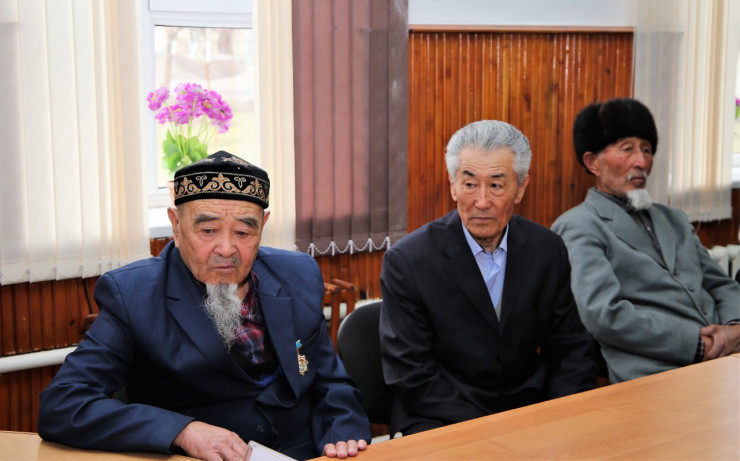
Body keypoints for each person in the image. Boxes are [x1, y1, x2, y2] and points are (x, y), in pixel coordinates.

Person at [38, 151, 370, 461]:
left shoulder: (298, 273)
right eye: (208, 230)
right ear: (176, 225)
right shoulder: (132, 295)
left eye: (243, 232)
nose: (226, 249)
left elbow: (330, 382)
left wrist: (342, 435)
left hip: (308, 452)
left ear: (263, 226)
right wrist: (183, 431)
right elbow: (64, 404)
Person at [379, 120, 598, 436]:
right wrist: (492, 431)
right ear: (453, 185)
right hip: (440, 415)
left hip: (527, 407)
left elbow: (571, 348)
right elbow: (410, 374)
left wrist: (559, 413)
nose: (481, 202)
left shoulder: (547, 249)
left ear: (520, 188)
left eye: (496, 185)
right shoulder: (409, 261)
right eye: (470, 184)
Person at [552, 98, 740, 384]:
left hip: (725, 356)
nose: (641, 162)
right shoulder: (578, 226)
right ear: (592, 162)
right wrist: (697, 345)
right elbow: (604, 315)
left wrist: (734, 328)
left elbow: (721, 284)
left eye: (647, 150)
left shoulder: (674, 219)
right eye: (627, 149)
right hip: (658, 372)